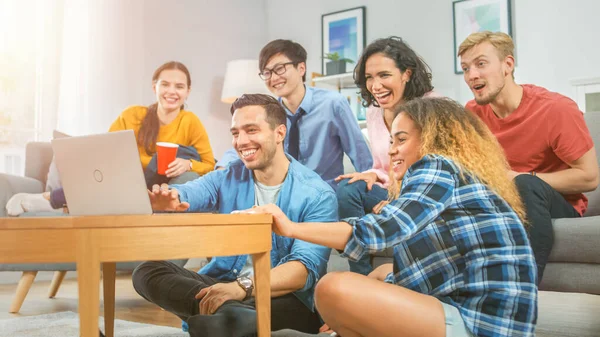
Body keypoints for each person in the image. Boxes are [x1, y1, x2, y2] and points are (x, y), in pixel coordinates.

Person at [251, 98, 538, 337]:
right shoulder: (459, 180)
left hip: (480, 326)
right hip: (477, 316)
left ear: (434, 138)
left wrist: (290, 227)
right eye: (390, 140)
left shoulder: (437, 165)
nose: (391, 150)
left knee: (332, 288)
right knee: (380, 274)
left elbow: (377, 233)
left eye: (401, 139)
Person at [132, 94, 337, 337]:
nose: (241, 141)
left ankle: (225, 318)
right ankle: (231, 318)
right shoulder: (229, 176)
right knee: (147, 271)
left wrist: (240, 288)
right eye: (236, 133)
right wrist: (172, 196)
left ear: (279, 133)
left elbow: (302, 271)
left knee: (259, 310)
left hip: (283, 297)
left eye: (251, 130)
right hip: (226, 286)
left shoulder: (317, 194)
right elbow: (190, 191)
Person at [459, 31, 599, 283]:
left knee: (524, 184)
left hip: (555, 204)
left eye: (481, 64)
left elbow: (589, 178)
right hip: (502, 201)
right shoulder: (472, 113)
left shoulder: (555, 109)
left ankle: (522, 289)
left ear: (507, 65)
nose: (472, 75)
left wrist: (521, 177)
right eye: (466, 68)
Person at [6, 61, 215, 216]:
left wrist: (188, 164)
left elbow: (209, 165)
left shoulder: (190, 122)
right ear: (155, 87)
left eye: (179, 86)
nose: (172, 91)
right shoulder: (132, 115)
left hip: (153, 189)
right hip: (122, 180)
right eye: (165, 84)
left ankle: (51, 201)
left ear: (188, 92)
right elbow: (105, 151)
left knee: (158, 168)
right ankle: (47, 201)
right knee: (103, 181)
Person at [334, 36, 439, 275]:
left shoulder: (433, 107)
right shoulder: (374, 112)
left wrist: (400, 198)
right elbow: (383, 164)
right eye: (369, 77)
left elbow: (438, 171)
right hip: (392, 188)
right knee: (350, 187)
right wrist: (371, 174)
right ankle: (359, 274)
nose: (375, 85)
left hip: (423, 194)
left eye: (384, 75)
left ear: (407, 74)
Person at [215, 39, 372, 189]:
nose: (274, 78)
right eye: (267, 72)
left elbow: (361, 156)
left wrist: (370, 187)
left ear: (301, 68)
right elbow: (249, 141)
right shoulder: (269, 112)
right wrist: (223, 166)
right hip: (285, 195)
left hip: (327, 192)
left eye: (280, 69)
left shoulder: (333, 104)